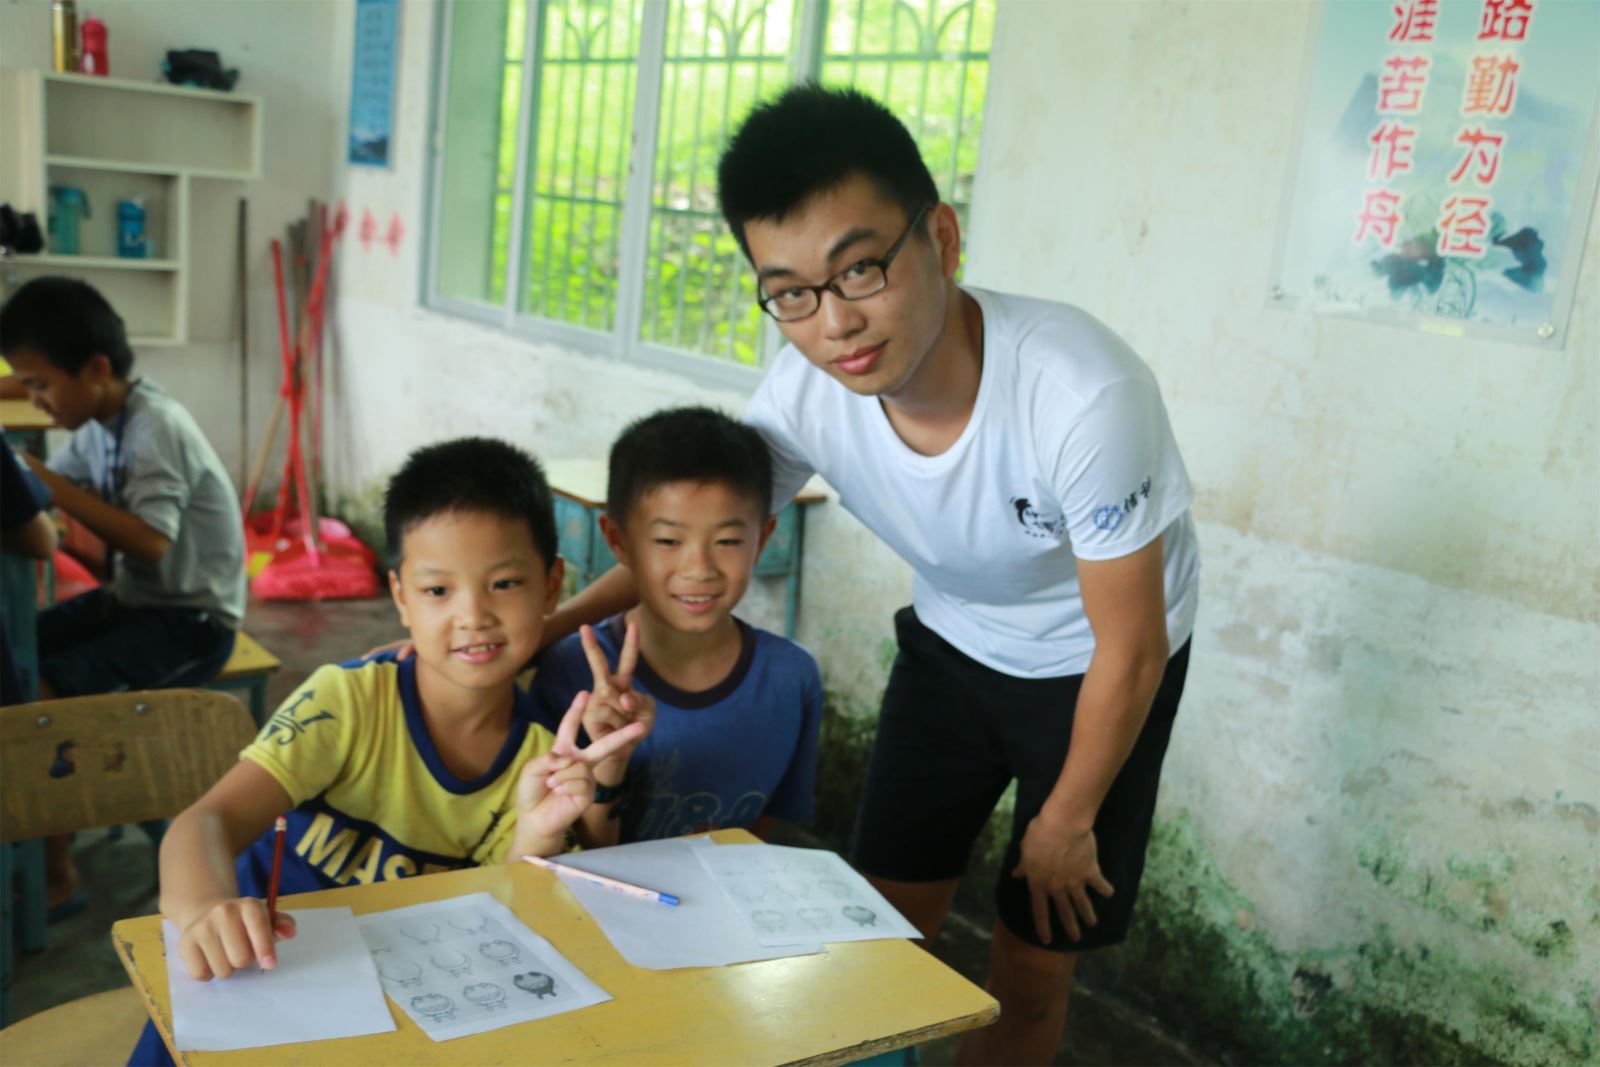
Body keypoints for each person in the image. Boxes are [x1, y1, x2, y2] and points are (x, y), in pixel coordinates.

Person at [548, 85, 1200, 1064]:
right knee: (880, 932)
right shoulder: (804, 393)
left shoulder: (1081, 396)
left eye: (860, 268)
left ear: (941, 236)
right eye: (791, 293)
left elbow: (1134, 645)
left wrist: (1067, 816)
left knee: (1031, 965)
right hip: (951, 647)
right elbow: (685, 546)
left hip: (1096, 670)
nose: (835, 323)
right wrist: (542, 630)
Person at [129, 437, 642, 1066]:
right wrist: (205, 909)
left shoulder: (543, 762)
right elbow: (205, 822)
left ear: (551, 585)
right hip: (257, 976)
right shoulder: (347, 702)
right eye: (437, 591)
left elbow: (511, 924)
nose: (472, 615)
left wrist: (538, 837)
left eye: (505, 583)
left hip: (408, 1012)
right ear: (399, 596)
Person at [1, 276, 246, 912]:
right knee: (14, 657)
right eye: (25, 385)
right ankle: (32, 831)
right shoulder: (98, 421)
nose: (35, 400)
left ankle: (56, 874)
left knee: (44, 698)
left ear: (96, 369)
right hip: (136, 602)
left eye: (40, 384)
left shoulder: (154, 427)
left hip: (193, 621)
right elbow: (48, 498)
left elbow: (151, 543)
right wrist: (38, 485)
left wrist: (41, 481)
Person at [530, 407, 822, 845]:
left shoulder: (791, 678)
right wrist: (607, 767)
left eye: (727, 541)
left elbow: (764, 830)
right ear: (617, 540)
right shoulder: (572, 674)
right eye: (668, 540)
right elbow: (553, 848)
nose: (699, 569)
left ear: (762, 538)